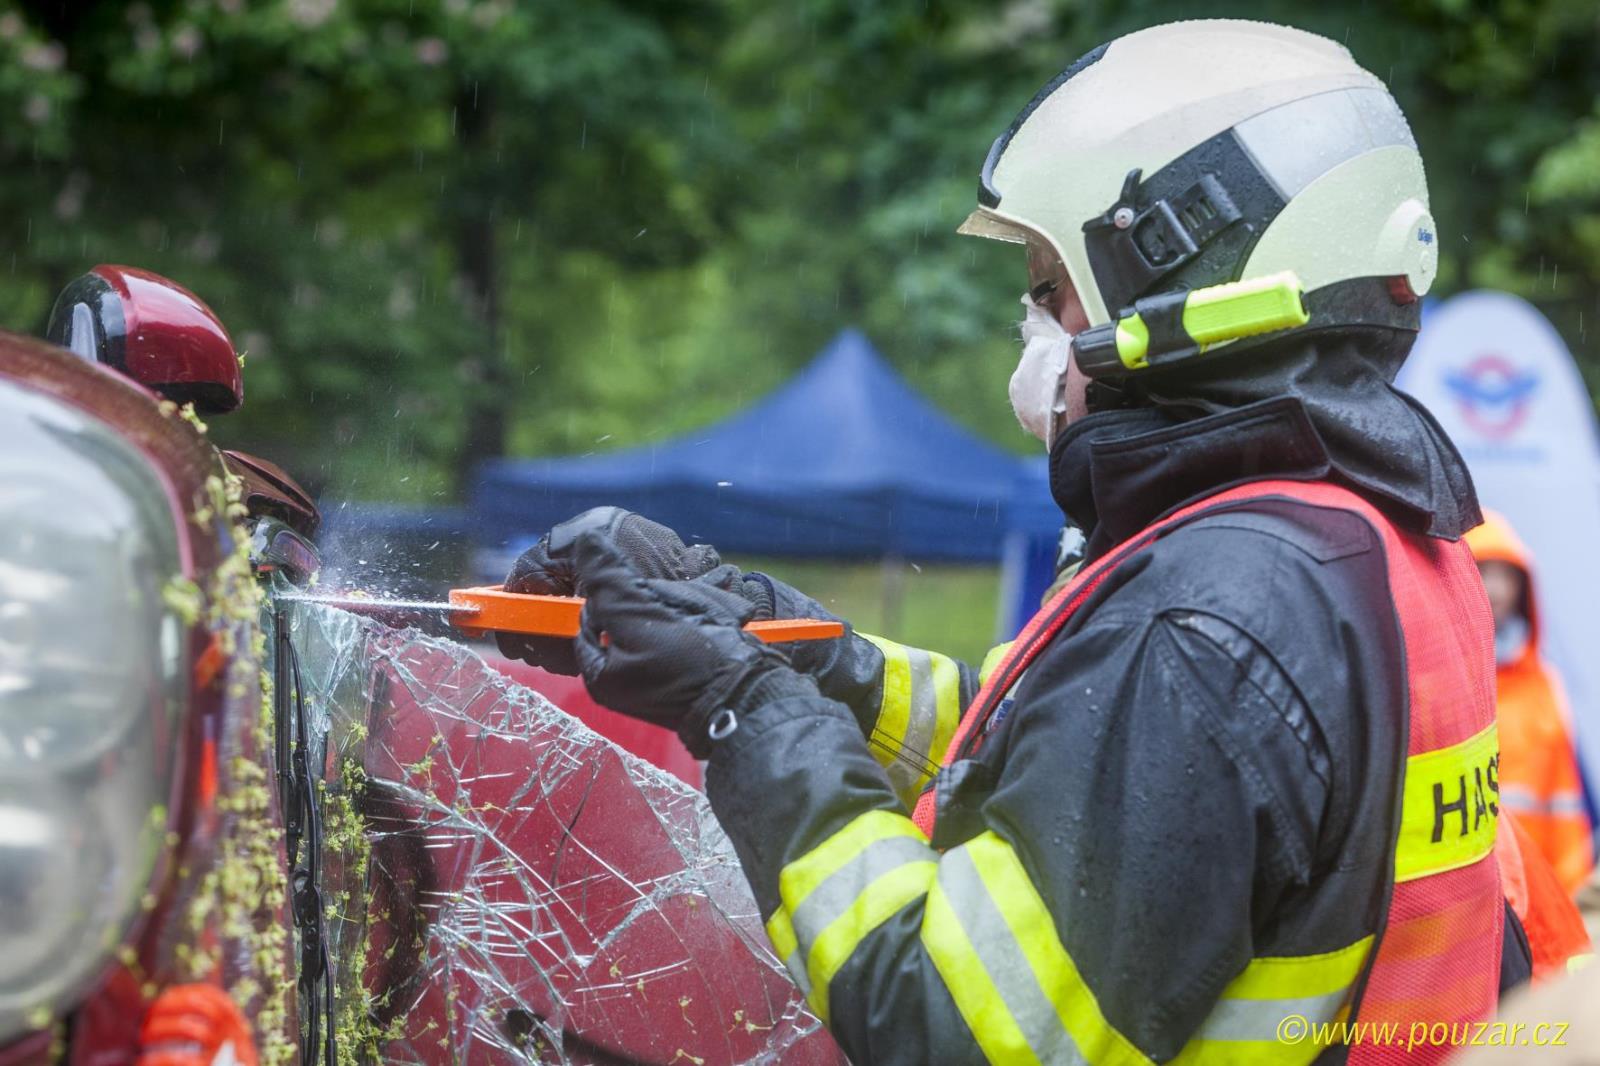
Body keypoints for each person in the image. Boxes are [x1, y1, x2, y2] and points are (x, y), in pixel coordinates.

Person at [501, 21, 1541, 1063]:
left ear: (1191, 270)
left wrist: (739, 709)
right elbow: (1053, 747)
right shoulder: (1353, 534)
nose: (1032, 324)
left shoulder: (1207, 619)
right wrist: (775, 640)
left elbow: (943, 1024)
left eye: (1050, 286)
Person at [1466, 511, 1597, 896]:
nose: (1496, 589)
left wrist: (1570, 898)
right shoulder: (1432, 682)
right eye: (1483, 572)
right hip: (1464, 895)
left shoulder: (1544, 686)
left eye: (1507, 575)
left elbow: (1566, 809)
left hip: (1534, 897)